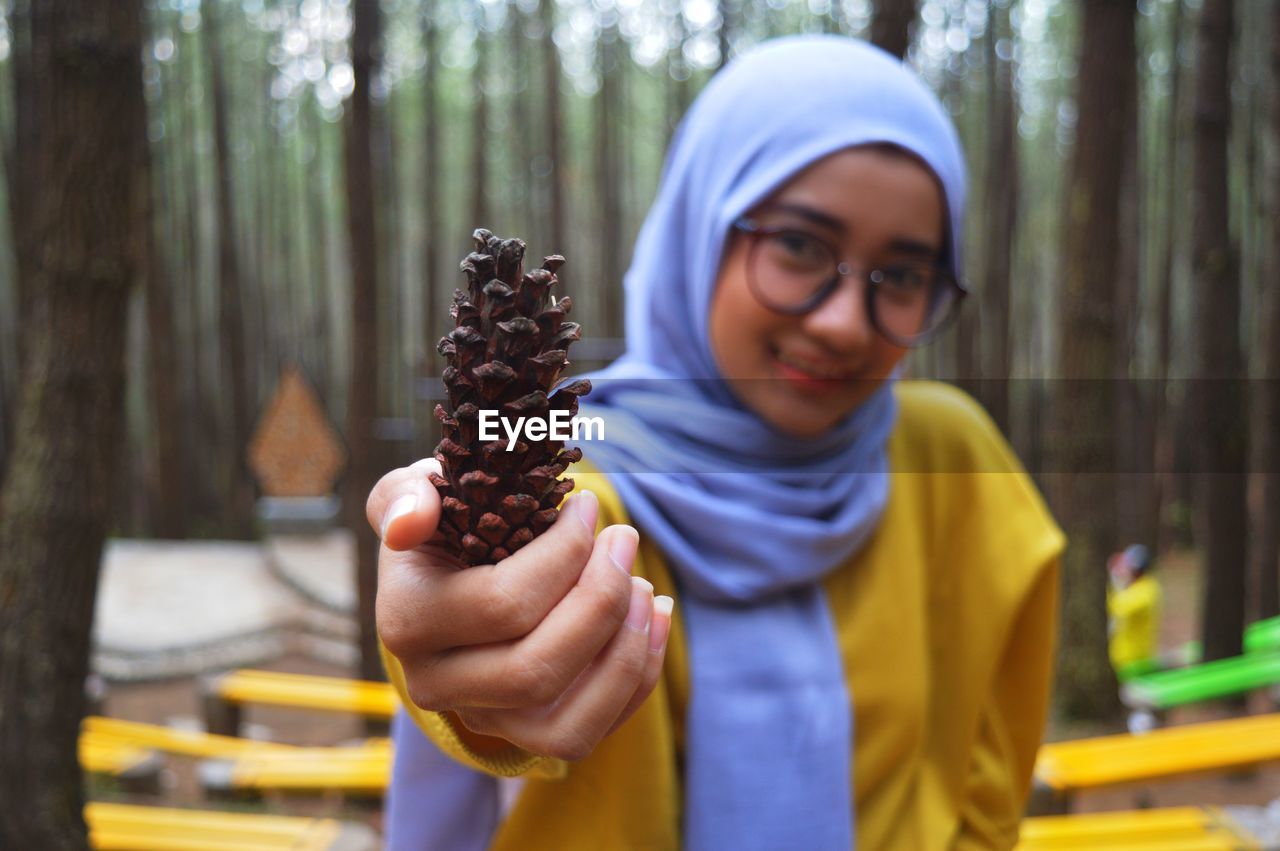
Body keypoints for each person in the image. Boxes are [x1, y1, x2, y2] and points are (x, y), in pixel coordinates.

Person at [368, 36, 1065, 850]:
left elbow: (989, 765)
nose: (842, 322)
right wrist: (462, 635)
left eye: (902, 275)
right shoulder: (569, 477)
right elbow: (478, 669)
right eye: (802, 245)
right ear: (700, 226)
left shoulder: (950, 462)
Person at [1107, 544, 1163, 683]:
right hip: (1122, 660)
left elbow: (1116, 607)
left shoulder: (1147, 590)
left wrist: (1114, 577)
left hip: (1135, 662)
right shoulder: (1133, 588)